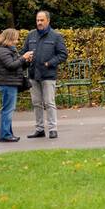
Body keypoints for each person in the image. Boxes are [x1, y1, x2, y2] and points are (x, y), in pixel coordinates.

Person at [22, 9, 68, 139]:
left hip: (48, 75)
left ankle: (53, 129)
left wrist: (50, 63)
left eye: (42, 20)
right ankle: (39, 129)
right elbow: (23, 52)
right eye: (37, 20)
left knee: (49, 103)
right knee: (36, 103)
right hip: (33, 74)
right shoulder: (30, 35)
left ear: (48, 21)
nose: (39, 22)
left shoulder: (56, 36)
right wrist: (26, 59)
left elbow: (63, 55)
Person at [0, 28, 25, 142]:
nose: (16, 41)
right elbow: (10, 65)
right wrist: (23, 58)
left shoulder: (9, 50)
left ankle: (8, 133)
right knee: (8, 109)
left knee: (8, 109)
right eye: (15, 38)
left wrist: (26, 61)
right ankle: (5, 135)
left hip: (10, 82)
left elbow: (17, 66)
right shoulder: (2, 51)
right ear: (10, 38)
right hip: (7, 83)